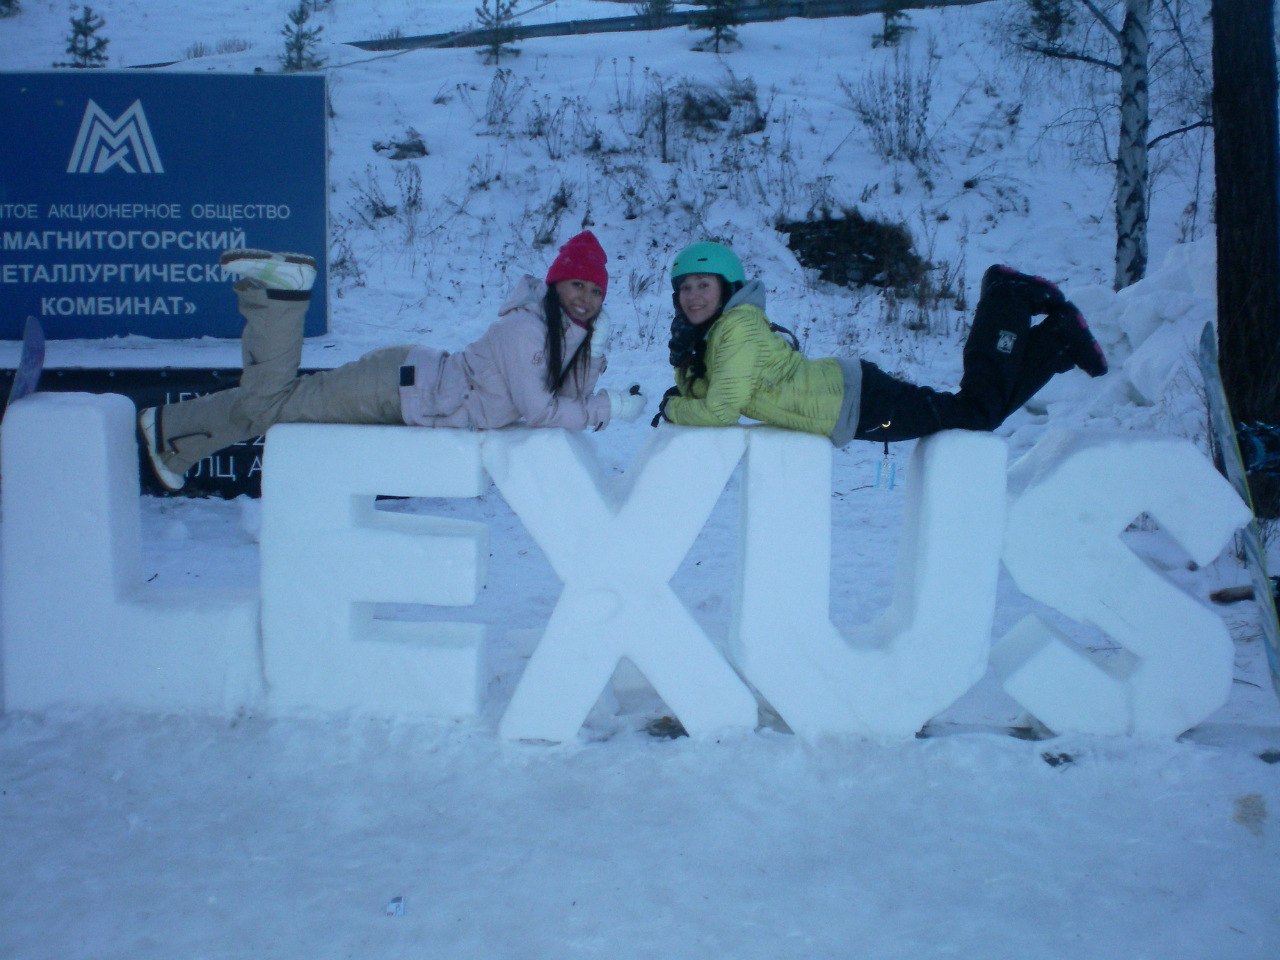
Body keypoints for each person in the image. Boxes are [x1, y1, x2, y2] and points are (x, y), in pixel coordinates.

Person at [139, 231, 647, 492]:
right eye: (577, 284)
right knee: (271, 404)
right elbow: (541, 411)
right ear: (555, 283)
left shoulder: (558, 336)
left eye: (595, 291)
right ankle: (279, 296)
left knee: (274, 405)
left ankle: (171, 436)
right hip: (394, 386)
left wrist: (595, 351)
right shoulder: (524, 331)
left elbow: (566, 398)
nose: (585, 298)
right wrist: (609, 408)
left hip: (410, 392)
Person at [651, 241, 1107, 446]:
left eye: (704, 285)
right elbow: (712, 394)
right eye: (685, 287)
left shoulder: (737, 328)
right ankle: (1056, 342)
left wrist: (672, 407)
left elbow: (719, 411)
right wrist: (684, 391)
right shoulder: (710, 335)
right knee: (974, 412)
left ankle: (1008, 298)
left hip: (859, 401)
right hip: (850, 399)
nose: (693, 296)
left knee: (975, 412)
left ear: (727, 288)